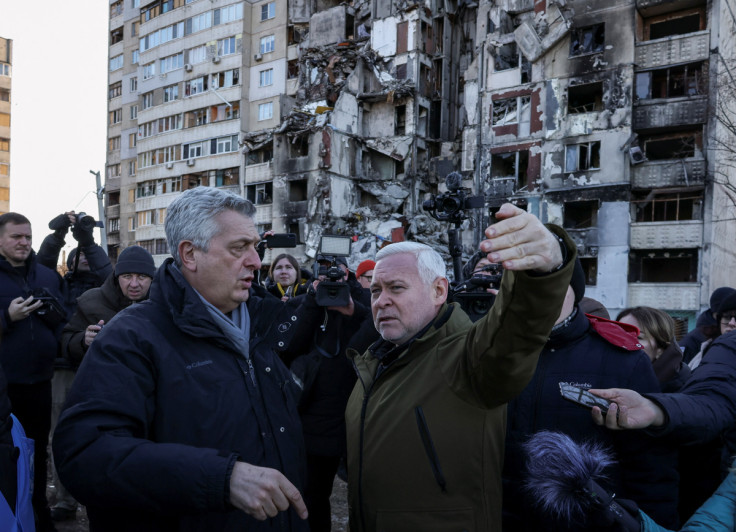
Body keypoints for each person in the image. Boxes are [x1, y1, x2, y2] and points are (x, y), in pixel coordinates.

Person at [53, 187, 309, 531]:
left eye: (255, 247)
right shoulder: (132, 337)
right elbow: (85, 454)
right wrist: (221, 478)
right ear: (190, 254)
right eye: (239, 248)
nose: (256, 261)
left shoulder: (261, 325)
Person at [344, 203, 575, 532]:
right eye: (376, 290)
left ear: (438, 290)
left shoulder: (468, 358)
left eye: (396, 288)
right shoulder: (373, 361)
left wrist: (544, 268)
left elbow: (516, 330)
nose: (381, 301)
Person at [503, 261, 679, 530]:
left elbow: (651, 469)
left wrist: (652, 525)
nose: (538, 294)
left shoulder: (623, 360)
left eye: (551, 284)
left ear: (575, 291)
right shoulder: (493, 351)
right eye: (526, 285)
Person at [591, 291, 736, 522]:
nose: (625, 341)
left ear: (661, 346)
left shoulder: (684, 389)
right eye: (618, 333)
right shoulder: (611, 383)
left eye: (637, 335)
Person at [37, 211, 112, 523]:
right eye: (77, 254)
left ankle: (100, 496)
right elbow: (40, 266)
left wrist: (87, 239)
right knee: (58, 436)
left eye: (87, 255)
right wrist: (58, 236)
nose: (82, 257)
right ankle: (66, 502)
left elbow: (107, 270)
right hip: (62, 368)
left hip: (98, 370)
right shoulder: (56, 283)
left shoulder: (108, 288)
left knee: (100, 432)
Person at [0, 212, 66, 532]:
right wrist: (6, 317)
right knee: (6, 455)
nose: (24, 242)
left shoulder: (47, 276)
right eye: (16, 237)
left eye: (28, 236)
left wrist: (54, 321)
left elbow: (64, 320)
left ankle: (38, 513)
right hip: (3, 387)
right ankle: (9, 515)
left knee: (38, 453)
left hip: (40, 381)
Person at [60, 245, 155, 368]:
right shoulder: (90, 301)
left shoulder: (164, 304)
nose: (134, 284)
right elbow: (65, 342)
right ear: (117, 277)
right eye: (127, 276)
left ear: (151, 278)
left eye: (142, 276)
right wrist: (84, 340)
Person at [617, 306, 691, 393]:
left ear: (660, 350)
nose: (623, 342)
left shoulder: (684, 389)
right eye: (619, 334)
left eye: (638, 337)